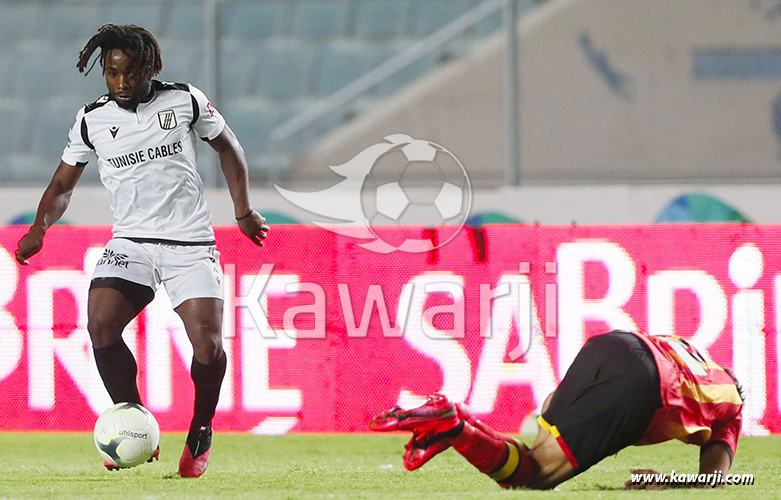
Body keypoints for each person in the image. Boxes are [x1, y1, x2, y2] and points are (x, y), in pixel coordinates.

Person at [14, 24, 269, 478]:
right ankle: (132, 422)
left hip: (189, 240)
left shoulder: (185, 100)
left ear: (150, 68)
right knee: (101, 324)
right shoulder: (92, 119)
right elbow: (60, 185)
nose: (120, 83)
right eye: (111, 74)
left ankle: (202, 426)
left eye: (129, 73)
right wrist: (39, 227)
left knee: (208, 348)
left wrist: (243, 210)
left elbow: (228, 147)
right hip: (130, 240)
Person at [371, 330, 744, 489]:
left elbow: (550, 405)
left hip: (613, 346)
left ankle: (455, 416)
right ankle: (453, 426)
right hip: (646, 386)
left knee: (533, 456)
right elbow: (714, 480)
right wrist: (663, 481)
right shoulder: (732, 404)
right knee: (536, 477)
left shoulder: (689, 350)